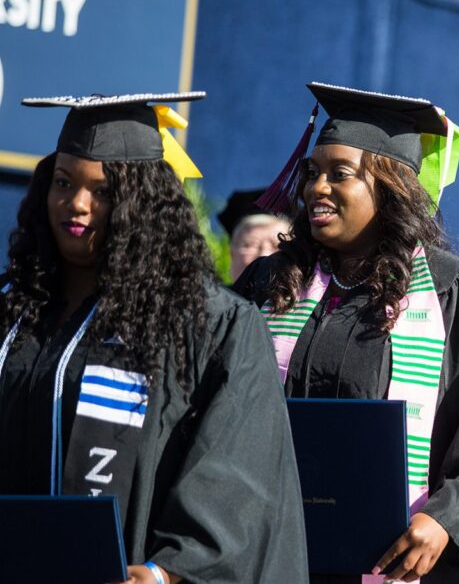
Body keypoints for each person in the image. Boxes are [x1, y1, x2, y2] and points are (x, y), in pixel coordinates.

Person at [0, 93, 308, 583]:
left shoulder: (210, 323)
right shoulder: (16, 314)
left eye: (102, 191)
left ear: (141, 205)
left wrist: (171, 570)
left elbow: (236, 472)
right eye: (63, 182)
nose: (76, 203)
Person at [234, 82, 459, 583]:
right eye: (312, 172)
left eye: (339, 174)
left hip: (393, 561)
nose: (315, 189)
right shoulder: (272, 283)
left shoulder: (457, 295)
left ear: (390, 187)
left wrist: (442, 520)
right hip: (269, 549)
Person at [217, 188, 292, 281]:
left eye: (278, 246)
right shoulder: (206, 295)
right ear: (232, 253)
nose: (264, 255)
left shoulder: (311, 295)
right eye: (251, 245)